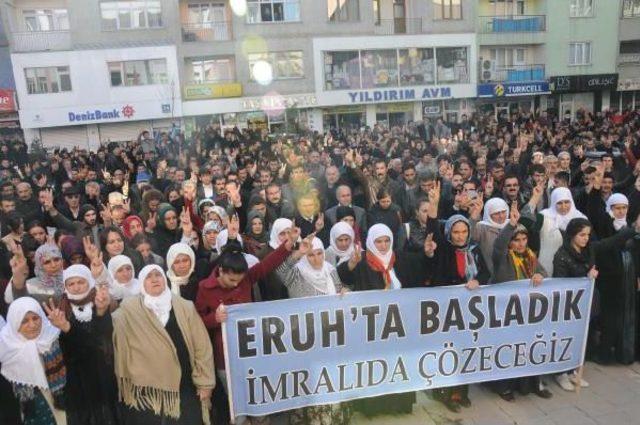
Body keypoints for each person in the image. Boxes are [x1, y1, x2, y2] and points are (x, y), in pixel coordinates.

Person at [195, 226, 299, 424]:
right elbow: (196, 321)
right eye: (231, 279)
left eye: (239, 280)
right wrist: (214, 319)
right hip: (224, 357)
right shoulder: (204, 289)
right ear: (221, 271)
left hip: (252, 351)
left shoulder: (246, 279)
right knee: (238, 409)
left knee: (259, 404)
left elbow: (267, 265)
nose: (235, 284)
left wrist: (287, 245)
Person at [337, 223, 430, 417]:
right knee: (375, 366)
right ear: (371, 241)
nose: (383, 245)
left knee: (398, 364)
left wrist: (428, 254)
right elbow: (343, 275)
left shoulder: (400, 259)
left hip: (399, 324)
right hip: (372, 326)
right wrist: (351, 265)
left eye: (387, 240)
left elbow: (422, 264)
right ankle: (374, 408)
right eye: (378, 241)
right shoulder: (362, 261)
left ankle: (399, 404)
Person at [112, 264, 215, 424]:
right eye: (148, 277)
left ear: (164, 279)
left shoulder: (185, 307)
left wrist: (205, 383)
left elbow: (202, 346)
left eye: (157, 275)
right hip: (147, 391)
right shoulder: (129, 309)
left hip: (185, 386)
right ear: (142, 284)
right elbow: (108, 325)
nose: (154, 280)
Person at [275, 236, 352, 424]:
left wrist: (347, 291)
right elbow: (279, 272)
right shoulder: (296, 273)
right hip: (305, 340)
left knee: (330, 381)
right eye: (310, 255)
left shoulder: (330, 271)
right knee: (310, 382)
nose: (316, 259)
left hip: (330, 339)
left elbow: (341, 289)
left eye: (319, 254)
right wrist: (299, 252)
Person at [426, 214, 490, 412]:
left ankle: (461, 392)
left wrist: (478, 281)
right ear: (449, 233)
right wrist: (433, 210)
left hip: (469, 311)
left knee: (465, 350)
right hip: (446, 310)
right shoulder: (444, 250)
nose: (460, 236)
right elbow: (433, 230)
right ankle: (444, 392)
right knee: (447, 350)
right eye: (456, 232)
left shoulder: (475, 249)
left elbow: (486, 273)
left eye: (464, 231)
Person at [42, 264, 119, 425]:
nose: (76, 287)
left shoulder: (101, 301)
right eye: (71, 284)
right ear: (65, 286)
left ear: (89, 282)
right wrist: (64, 327)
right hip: (77, 380)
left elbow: (102, 340)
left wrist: (100, 311)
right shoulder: (61, 310)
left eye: (81, 282)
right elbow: (68, 350)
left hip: (104, 374)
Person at [491, 202, 552, 401]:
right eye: (516, 240)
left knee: (530, 347)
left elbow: (542, 272)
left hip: (529, 311)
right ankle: (505, 387)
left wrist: (540, 276)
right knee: (509, 349)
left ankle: (533, 383)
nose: (521, 243)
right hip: (507, 311)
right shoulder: (502, 257)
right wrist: (510, 225)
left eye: (524, 239)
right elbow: (499, 245)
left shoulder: (531, 256)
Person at [0, 297, 66, 424]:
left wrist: (65, 327)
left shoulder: (53, 336)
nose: (32, 325)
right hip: (26, 413)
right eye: (24, 321)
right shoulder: (5, 350)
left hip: (61, 407)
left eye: (35, 318)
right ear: (14, 323)